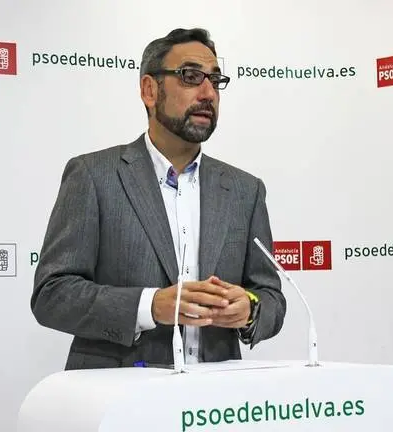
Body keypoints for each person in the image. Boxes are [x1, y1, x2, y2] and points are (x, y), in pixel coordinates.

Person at [31, 28, 286, 370]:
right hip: (117, 391)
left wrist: (250, 308)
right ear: (150, 90)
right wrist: (149, 306)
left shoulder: (245, 190)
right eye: (191, 77)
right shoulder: (94, 176)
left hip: (217, 394)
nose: (208, 93)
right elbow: (52, 294)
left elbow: (271, 298)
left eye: (215, 80)